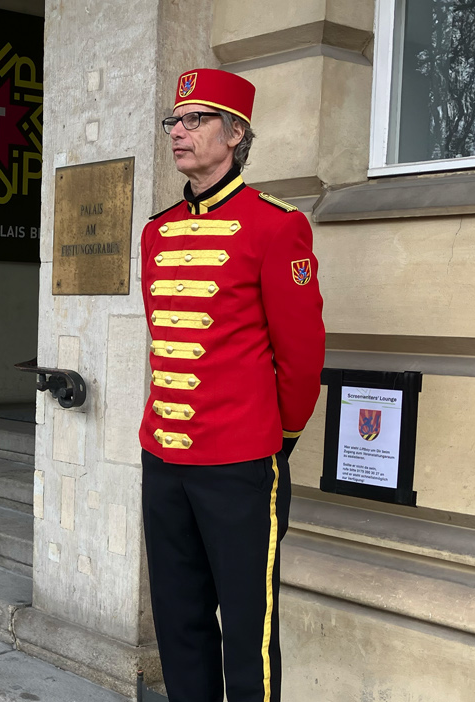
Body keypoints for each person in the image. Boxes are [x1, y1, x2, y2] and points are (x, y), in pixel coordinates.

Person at [139, 68, 326, 702]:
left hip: (242, 460)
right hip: (165, 457)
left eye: (196, 120)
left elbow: (301, 358)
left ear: (236, 133)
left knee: (249, 631)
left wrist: (279, 440)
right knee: (179, 622)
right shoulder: (157, 233)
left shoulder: (277, 227)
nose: (179, 133)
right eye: (174, 121)